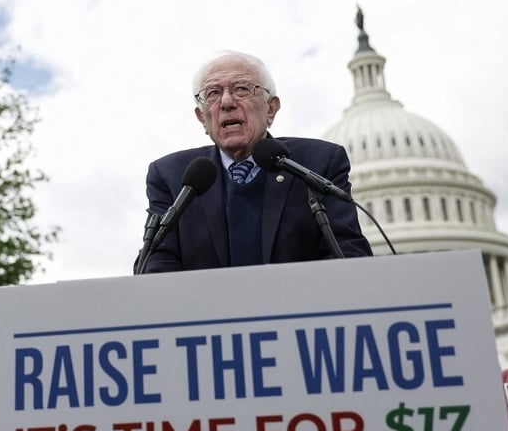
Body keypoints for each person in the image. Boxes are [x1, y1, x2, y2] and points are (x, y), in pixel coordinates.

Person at [139, 50, 371, 273]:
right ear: (202, 119)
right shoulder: (172, 176)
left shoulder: (319, 163)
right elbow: (156, 265)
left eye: (241, 89)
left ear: (271, 109)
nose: (227, 102)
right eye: (212, 93)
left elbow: (348, 255)